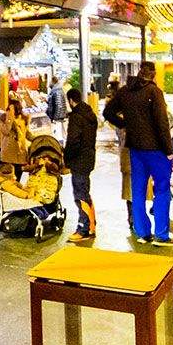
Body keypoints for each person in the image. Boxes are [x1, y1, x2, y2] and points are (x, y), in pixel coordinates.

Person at [104, 62, 173, 246]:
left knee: (138, 192)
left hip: (135, 149)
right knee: (162, 190)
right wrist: (169, 151)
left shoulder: (125, 91)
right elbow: (162, 124)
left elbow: (108, 112)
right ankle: (161, 235)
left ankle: (142, 233)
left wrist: (124, 125)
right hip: (156, 150)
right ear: (153, 75)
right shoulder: (154, 92)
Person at [63, 86, 98, 244]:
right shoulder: (90, 114)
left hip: (79, 160)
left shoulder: (76, 117)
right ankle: (91, 225)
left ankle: (83, 229)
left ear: (71, 100)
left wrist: (66, 159)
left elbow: (73, 141)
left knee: (80, 194)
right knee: (85, 191)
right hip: (89, 157)